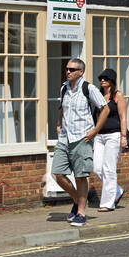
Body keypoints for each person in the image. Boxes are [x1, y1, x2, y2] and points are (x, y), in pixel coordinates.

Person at [53, 57, 109, 227]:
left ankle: (81, 213)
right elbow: (62, 108)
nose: (68, 72)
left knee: (80, 176)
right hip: (65, 137)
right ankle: (78, 200)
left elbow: (105, 109)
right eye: (67, 69)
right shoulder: (64, 88)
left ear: (80, 72)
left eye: (71, 69)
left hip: (82, 138)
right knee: (57, 174)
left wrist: (95, 130)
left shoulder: (89, 88)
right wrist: (58, 124)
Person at [91, 68, 127, 212]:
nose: (103, 80)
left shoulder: (118, 96)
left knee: (109, 168)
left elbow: (123, 117)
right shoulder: (99, 96)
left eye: (106, 78)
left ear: (112, 80)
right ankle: (117, 191)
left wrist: (123, 137)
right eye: (101, 78)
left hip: (114, 135)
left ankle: (107, 203)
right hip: (99, 136)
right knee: (97, 167)